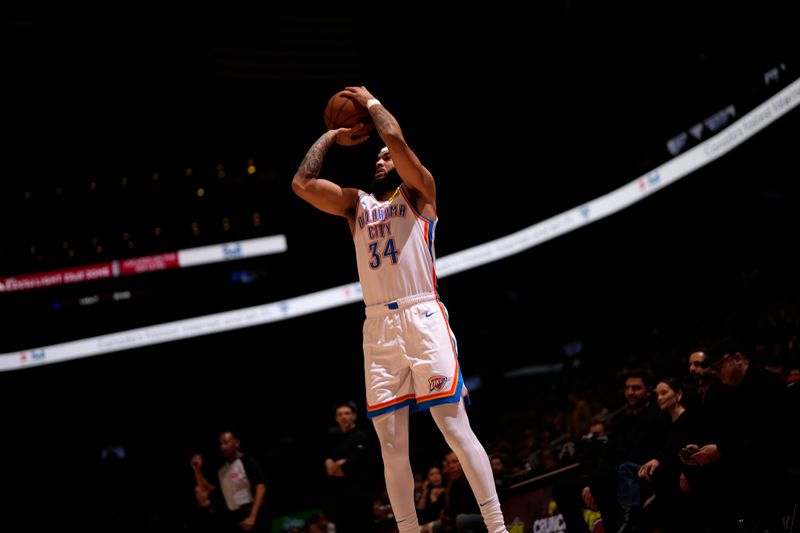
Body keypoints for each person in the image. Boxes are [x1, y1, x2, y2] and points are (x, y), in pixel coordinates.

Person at [292, 85, 508, 533]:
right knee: (391, 444)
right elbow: (302, 184)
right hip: (378, 326)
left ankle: (497, 526)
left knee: (453, 427)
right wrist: (332, 136)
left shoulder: (421, 192)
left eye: (385, 159)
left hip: (422, 315)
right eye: (377, 159)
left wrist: (370, 104)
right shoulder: (357, 205)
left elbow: (396, 141)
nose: (379, 160)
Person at [190, 430, 268, 532]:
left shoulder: (247, 461)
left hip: (252, 513)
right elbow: (205, 489)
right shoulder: (222, 470)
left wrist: (252, 516)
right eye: (221, 444)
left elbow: (261, 488)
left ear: (236, 443)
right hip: (235, 516)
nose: (223, 446)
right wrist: (197, 470)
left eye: (226, 442)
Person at [322, 401, 377, 533]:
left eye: (347, 413)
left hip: (360, 498)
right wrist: (339, 464)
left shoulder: (361, 437)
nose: (343, 417)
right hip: (339, 500)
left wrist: (337, 465)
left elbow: (345, 469)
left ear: (354, 416)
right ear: (336, 418)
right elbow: (330, 470)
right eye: (340, 414)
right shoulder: (332, 440)